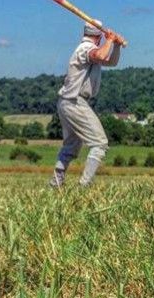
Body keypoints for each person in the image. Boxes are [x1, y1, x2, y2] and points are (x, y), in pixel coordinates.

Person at [50, 22, 123, 188]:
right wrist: (110, 40)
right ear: (98, 36)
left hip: (67, 101)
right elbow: (102, 56)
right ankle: (84, 186)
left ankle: (56, 182)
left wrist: (116, 45)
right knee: (100, 143)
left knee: (71, 146)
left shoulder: (90, 49)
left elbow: (110, 61)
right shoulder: (85, 49)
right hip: (75, 101)